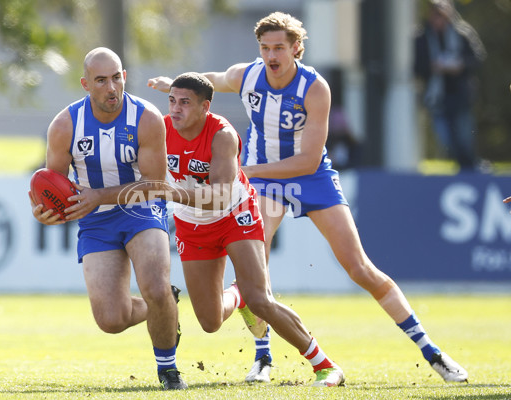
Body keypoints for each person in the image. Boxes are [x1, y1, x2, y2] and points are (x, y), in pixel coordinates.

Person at [149, 11, 468, 383]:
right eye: (265, 48)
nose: (271, 56)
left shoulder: (314, 87)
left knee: (359, 268)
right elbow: (211, 84)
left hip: (307, 176)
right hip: (261, 183)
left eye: (279, 48)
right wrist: (175, 86)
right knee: (257, 276)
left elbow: (308, 159)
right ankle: (263, 358)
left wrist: (246, 172)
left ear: (296, 48)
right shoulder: (247, 75)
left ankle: (431, 351)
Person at [157, 71, 344, 387]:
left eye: (185, 103)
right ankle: (238, 295)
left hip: (235, 215)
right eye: (172, 101)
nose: (175, 109)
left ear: (206, 107)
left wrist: (167, 192)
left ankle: (326, 366)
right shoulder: (160, 129)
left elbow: (219, 197)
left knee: (262, 300)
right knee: (210, 321)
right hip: (192, 225)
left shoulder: (222, 136)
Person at [29, 47, 186, 390]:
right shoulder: (64, 125)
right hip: (96, 222)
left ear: (124, 77)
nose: (111, 87)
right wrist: (46, 213)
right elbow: (53, 188)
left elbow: (156, 185)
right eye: (101, 80)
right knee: (111, 321)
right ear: (86, 84)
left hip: (142, 209)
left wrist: (98, 195)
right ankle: (165, 306)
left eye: (116, 77)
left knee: (155, 285)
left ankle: (168, 370)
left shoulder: (146, 117)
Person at [414, 0, 486, 170]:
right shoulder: (422, 38)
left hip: (460, 96)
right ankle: (464, 167)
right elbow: (415, 66)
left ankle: (471, 169)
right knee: (447, 140)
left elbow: (477, 59)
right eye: (435, 15)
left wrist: (460, 65)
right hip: (436, 97)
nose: (438, 20)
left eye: (442, 16)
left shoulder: (462, 33)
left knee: (464, 136)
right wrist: (432, 67)